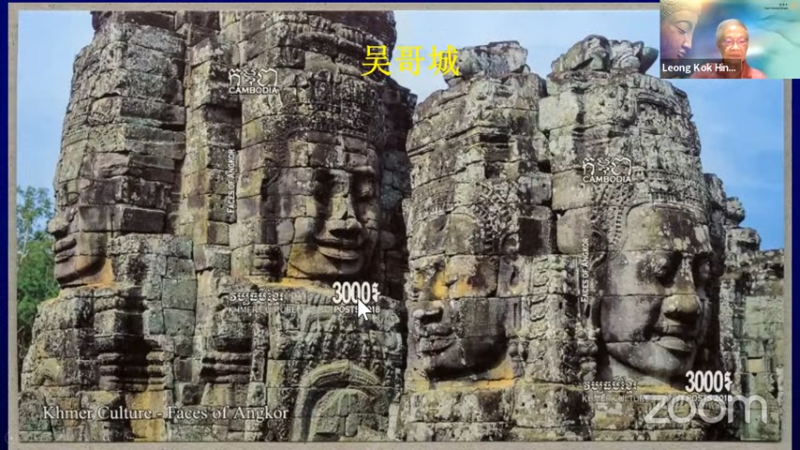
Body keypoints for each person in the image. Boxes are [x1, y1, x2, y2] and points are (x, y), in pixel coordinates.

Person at [691, 19, 767, 79]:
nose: (735, 47)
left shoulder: (759, 78)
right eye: (728, 41)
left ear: (747, 44)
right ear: (718, 44)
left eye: (741, 41)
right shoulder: (704, 73)